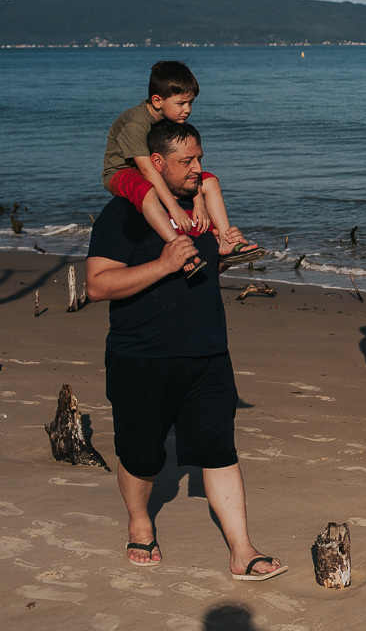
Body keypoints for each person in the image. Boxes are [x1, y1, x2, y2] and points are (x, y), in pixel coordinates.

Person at [86, 119, 287, 580]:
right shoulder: (124, 213)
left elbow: (203, 264)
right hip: (141, 357)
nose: (199, 168)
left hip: (209, 354)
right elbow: (96, 286)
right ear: (156, 164)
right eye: (187, 162)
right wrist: (161, 265)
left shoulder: (200, 212)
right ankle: (140, 523)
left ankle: (242, 550)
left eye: (200, 158)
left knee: (219, 451)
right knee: (141, 456)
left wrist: (227, 247)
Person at [100, 60, 263, 275]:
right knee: (147, 191)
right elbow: (147, 171)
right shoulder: (135, 124)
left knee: (211, 181)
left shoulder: (172, 119)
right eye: (181, 103)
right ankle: (179, 248)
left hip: (154, 167)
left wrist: (199, 201)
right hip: (122, 172)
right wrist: (175, 209)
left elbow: (188, 167)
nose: (187, 110)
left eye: (191, 103)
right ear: (158, 101)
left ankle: (226, 242)